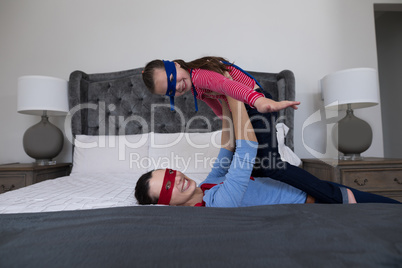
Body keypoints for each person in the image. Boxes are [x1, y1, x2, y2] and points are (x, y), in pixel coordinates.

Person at [141, 56, 348, 204]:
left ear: (176, 65)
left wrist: (257, 101)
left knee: (272, 166)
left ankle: (330, 194)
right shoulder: (198, 89)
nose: (175, 87)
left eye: (171, 79)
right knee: (256, 169)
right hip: (248, 106)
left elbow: (228, 86)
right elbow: (223, 111)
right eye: (169, 91)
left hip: (252, 102)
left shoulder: (198, 77)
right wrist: (230, 114)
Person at [135, 97, 400, 207]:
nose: (177, 178)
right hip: (321, 201)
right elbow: (245, 149)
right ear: (165, 205)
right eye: (168, 186)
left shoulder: (207, 186)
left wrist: (221, 103)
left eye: (170, 172)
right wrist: (235, 96)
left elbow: (228, 147)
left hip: (314, 186)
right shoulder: (218, 204)